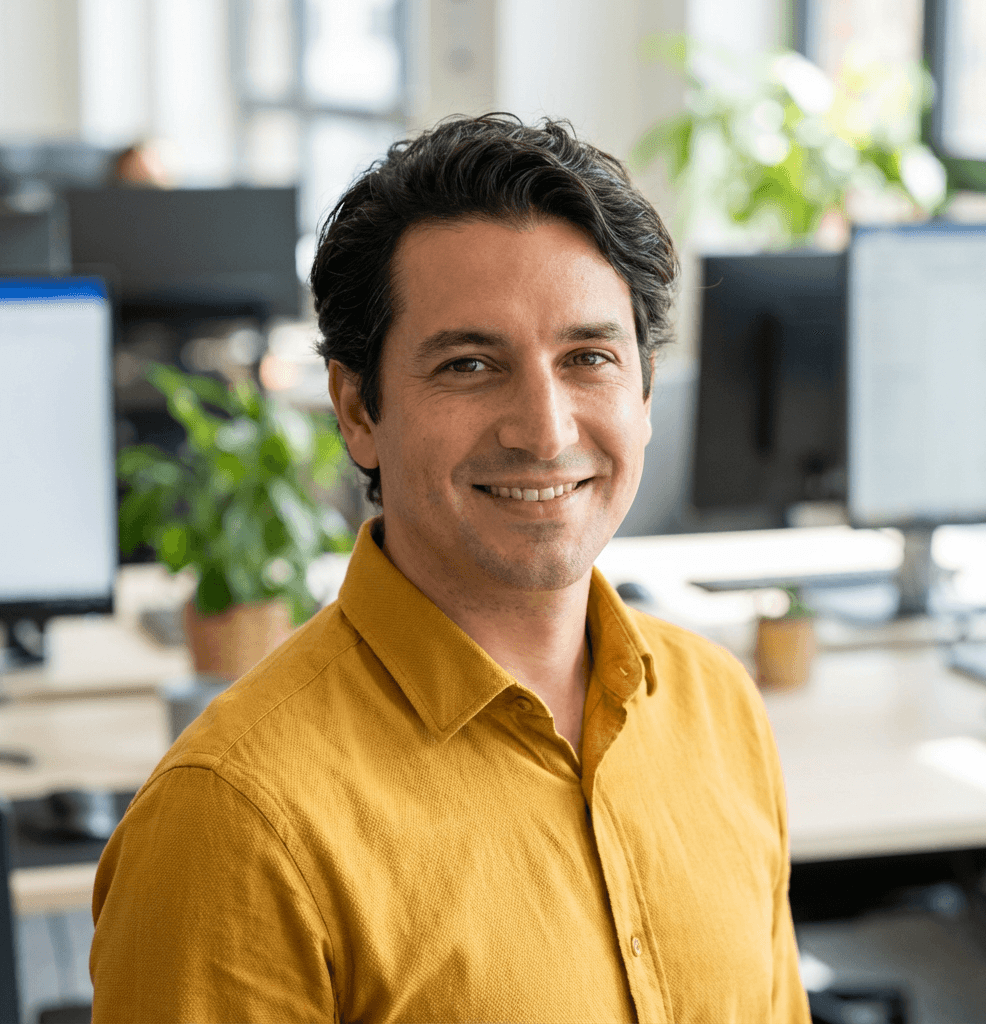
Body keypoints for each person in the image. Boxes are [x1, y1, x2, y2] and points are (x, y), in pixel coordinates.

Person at [90, 114, 811, 1023]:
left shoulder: (717, 707)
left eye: (588, 357)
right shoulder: (231, 822)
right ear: (357, 410)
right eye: (470, 364)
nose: (545, 431)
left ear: (644, 390)